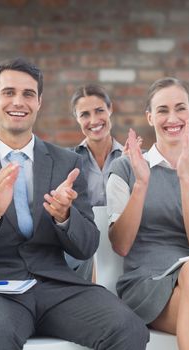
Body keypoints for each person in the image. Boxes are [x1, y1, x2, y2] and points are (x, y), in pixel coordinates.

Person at [0, 57, 149, 350]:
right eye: (9, 92)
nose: (18, 102)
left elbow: (86, 247)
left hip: (56, 287)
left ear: (39, 102)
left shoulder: (66, 162)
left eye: (28, 94)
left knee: (129, 329)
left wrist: (64, 217)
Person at [107, 77, 189, 350]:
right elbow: (120, 245)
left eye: (180, 108)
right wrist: (141, 184)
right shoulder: (125, 168)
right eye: (162, 110)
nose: (172, 118)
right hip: (146, 282)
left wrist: (185, 178)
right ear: (150, 117)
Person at [66, 84, 123, 280]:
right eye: (84, 115)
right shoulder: (67, 161)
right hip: (84, 250)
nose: (93, 120)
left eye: (99, 111)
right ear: (77, 118)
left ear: (110, 109)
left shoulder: (134, 158)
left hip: (124, 245)